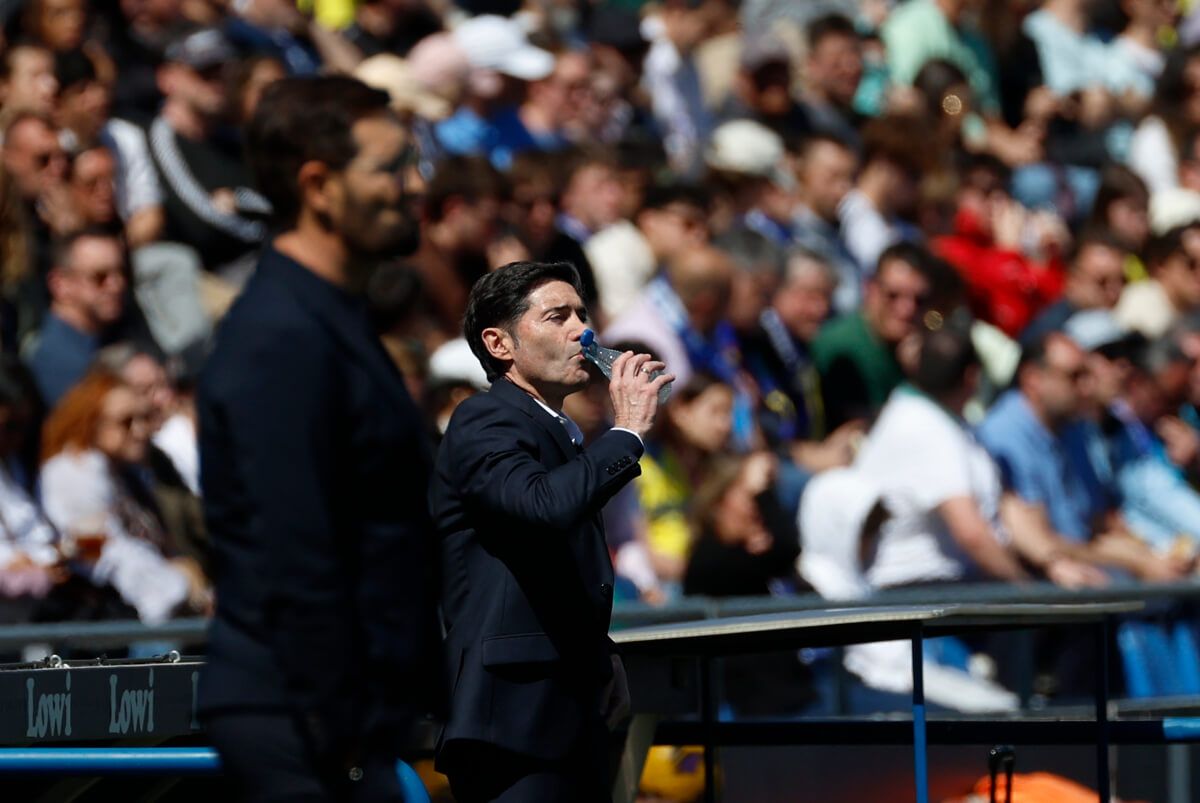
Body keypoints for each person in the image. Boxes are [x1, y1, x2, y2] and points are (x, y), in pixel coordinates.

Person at [196, 76, 442, 802]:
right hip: (302, 720)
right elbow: (293, 548)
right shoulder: (281, 336)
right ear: (318, 185)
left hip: (343, 719)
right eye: (391, 166)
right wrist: (344, 736)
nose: (414, 184)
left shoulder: (332, 320)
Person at [431, 260, 672, 801]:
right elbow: (541, 506)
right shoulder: (484, 419)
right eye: (557, 316)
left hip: (567, 715)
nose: (581, 332)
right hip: (512, 720)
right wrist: (627, 432)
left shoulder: (557, 432)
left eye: (583, 314)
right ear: (500, 343)